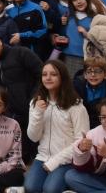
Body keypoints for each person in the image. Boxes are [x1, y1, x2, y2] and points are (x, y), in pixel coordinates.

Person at [19, 61, 90, 193]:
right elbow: (33, 138)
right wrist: (38, 114)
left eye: (53, 74)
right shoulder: (36, 103)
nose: (48, 78)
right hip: (43, 157)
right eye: (44, 74)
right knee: (31, 188)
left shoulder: (76, 106)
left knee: (50, 190)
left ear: (62, 77)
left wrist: (55, 162)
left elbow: (80, 141)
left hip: (67, 160)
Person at [72, 56, 106, 124]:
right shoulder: (76, 87)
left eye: (97, 71)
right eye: (89, 71)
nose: (93, 75)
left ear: (105, 75)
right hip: (79, 122)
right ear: (85, 75)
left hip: (102, 124)